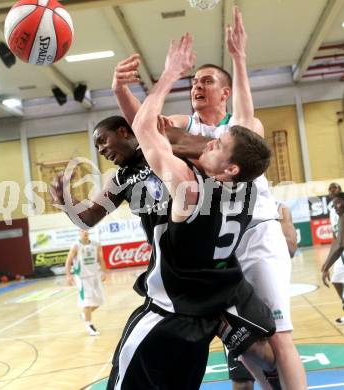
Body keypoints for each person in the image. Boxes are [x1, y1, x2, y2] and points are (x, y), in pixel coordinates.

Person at [111, 7, 306, 390]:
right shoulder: (199, 135)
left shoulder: (224, 148)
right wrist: (123, 93)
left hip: (252, 236)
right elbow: (148, 128)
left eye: (206, 80)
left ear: (226, 91)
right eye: (194, 81)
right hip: (224, 257)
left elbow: (146, 130)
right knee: (249, 345)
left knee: (278, 338)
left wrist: (234, 59)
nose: (197, 86)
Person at [52, 113, 277, 390]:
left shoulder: (166, 146)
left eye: (102, 140)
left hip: (202, 258)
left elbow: (210, 147)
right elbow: (87, 217)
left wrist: (154, 124)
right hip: (178, 263)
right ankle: (220, 325)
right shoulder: (121, 179)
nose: (100, 149)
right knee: (257, 355)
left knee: (265, 353)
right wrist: (67, 203)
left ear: (124, 131)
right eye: (96, 146)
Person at [65, 229, 105, 336]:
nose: (85, 232)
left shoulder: (96, 244)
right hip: (82, 278)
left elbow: (100, 259)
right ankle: (89, 326)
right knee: (87, 303)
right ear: (79, 232)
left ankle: (84, 315)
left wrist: (104, 272)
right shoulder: (76, 246)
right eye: (82, 231)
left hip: (95, 276)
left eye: (86, 230)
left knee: (99, 301)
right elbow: (68, 261)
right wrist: (68, 275)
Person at [322, 191, 344, 325]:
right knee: (336, 279)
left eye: (338, 203)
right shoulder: (339, 216)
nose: (336, 206)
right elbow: (337, 242)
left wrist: (325, 267)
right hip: (341, 255)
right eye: (334, 204)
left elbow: (339, 245)